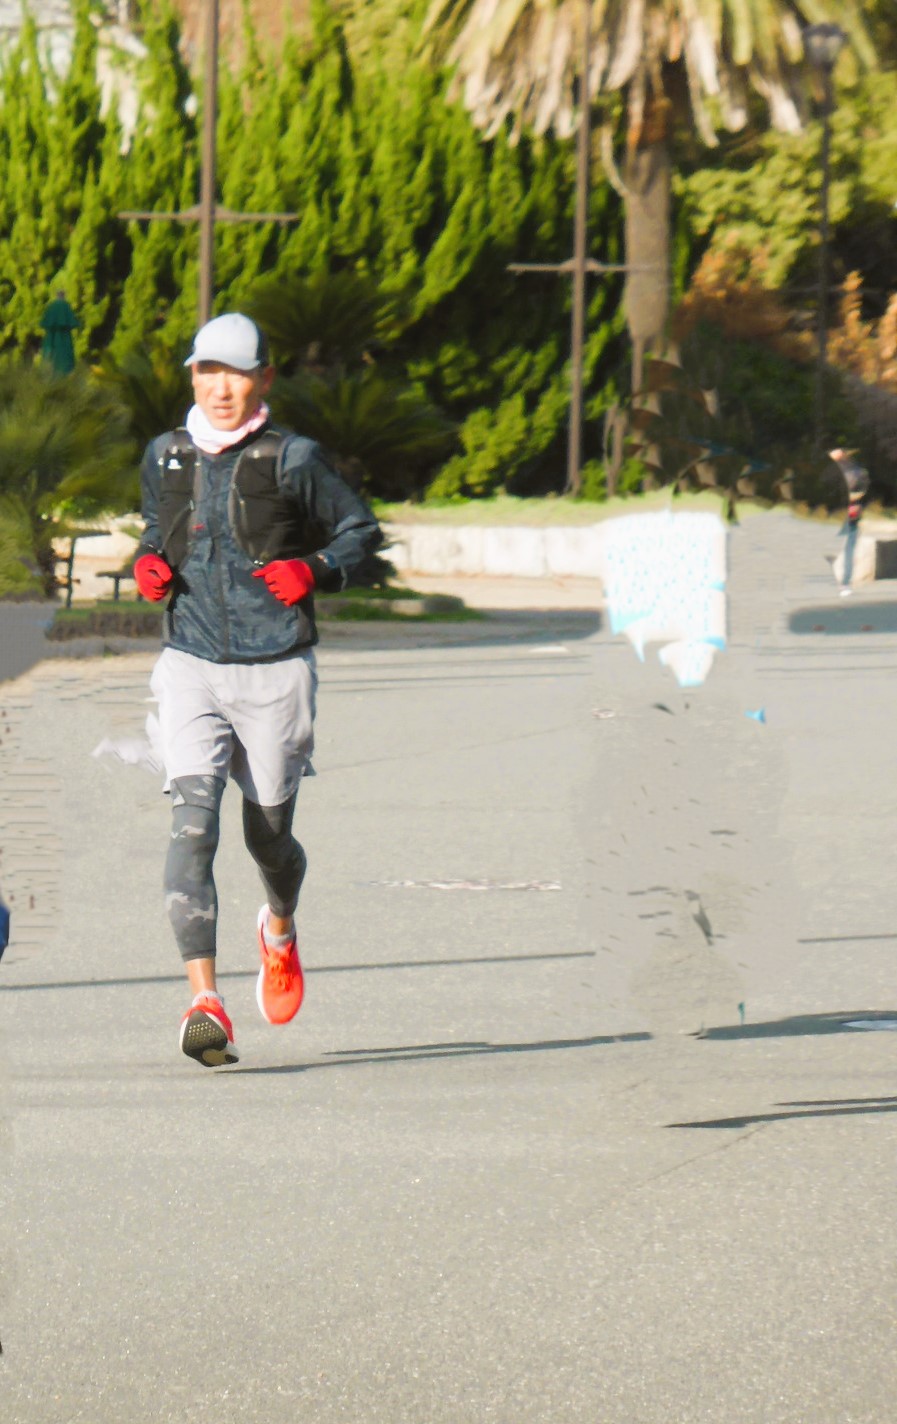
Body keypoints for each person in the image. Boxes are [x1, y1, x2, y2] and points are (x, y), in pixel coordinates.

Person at [134, 312, 382, 1067]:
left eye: (237, 374)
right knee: (192, 828)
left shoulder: (292, 458)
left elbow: (360, 530)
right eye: (207, 372)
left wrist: (316, 570)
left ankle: (278, 926)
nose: (221, 388)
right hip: (189, 663)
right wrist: (148, 562)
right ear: (193, 376)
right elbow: (156, 528)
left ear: (263, 379)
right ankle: (204, 1002)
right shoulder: (166, 454)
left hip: (276, 667)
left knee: (267, 837)